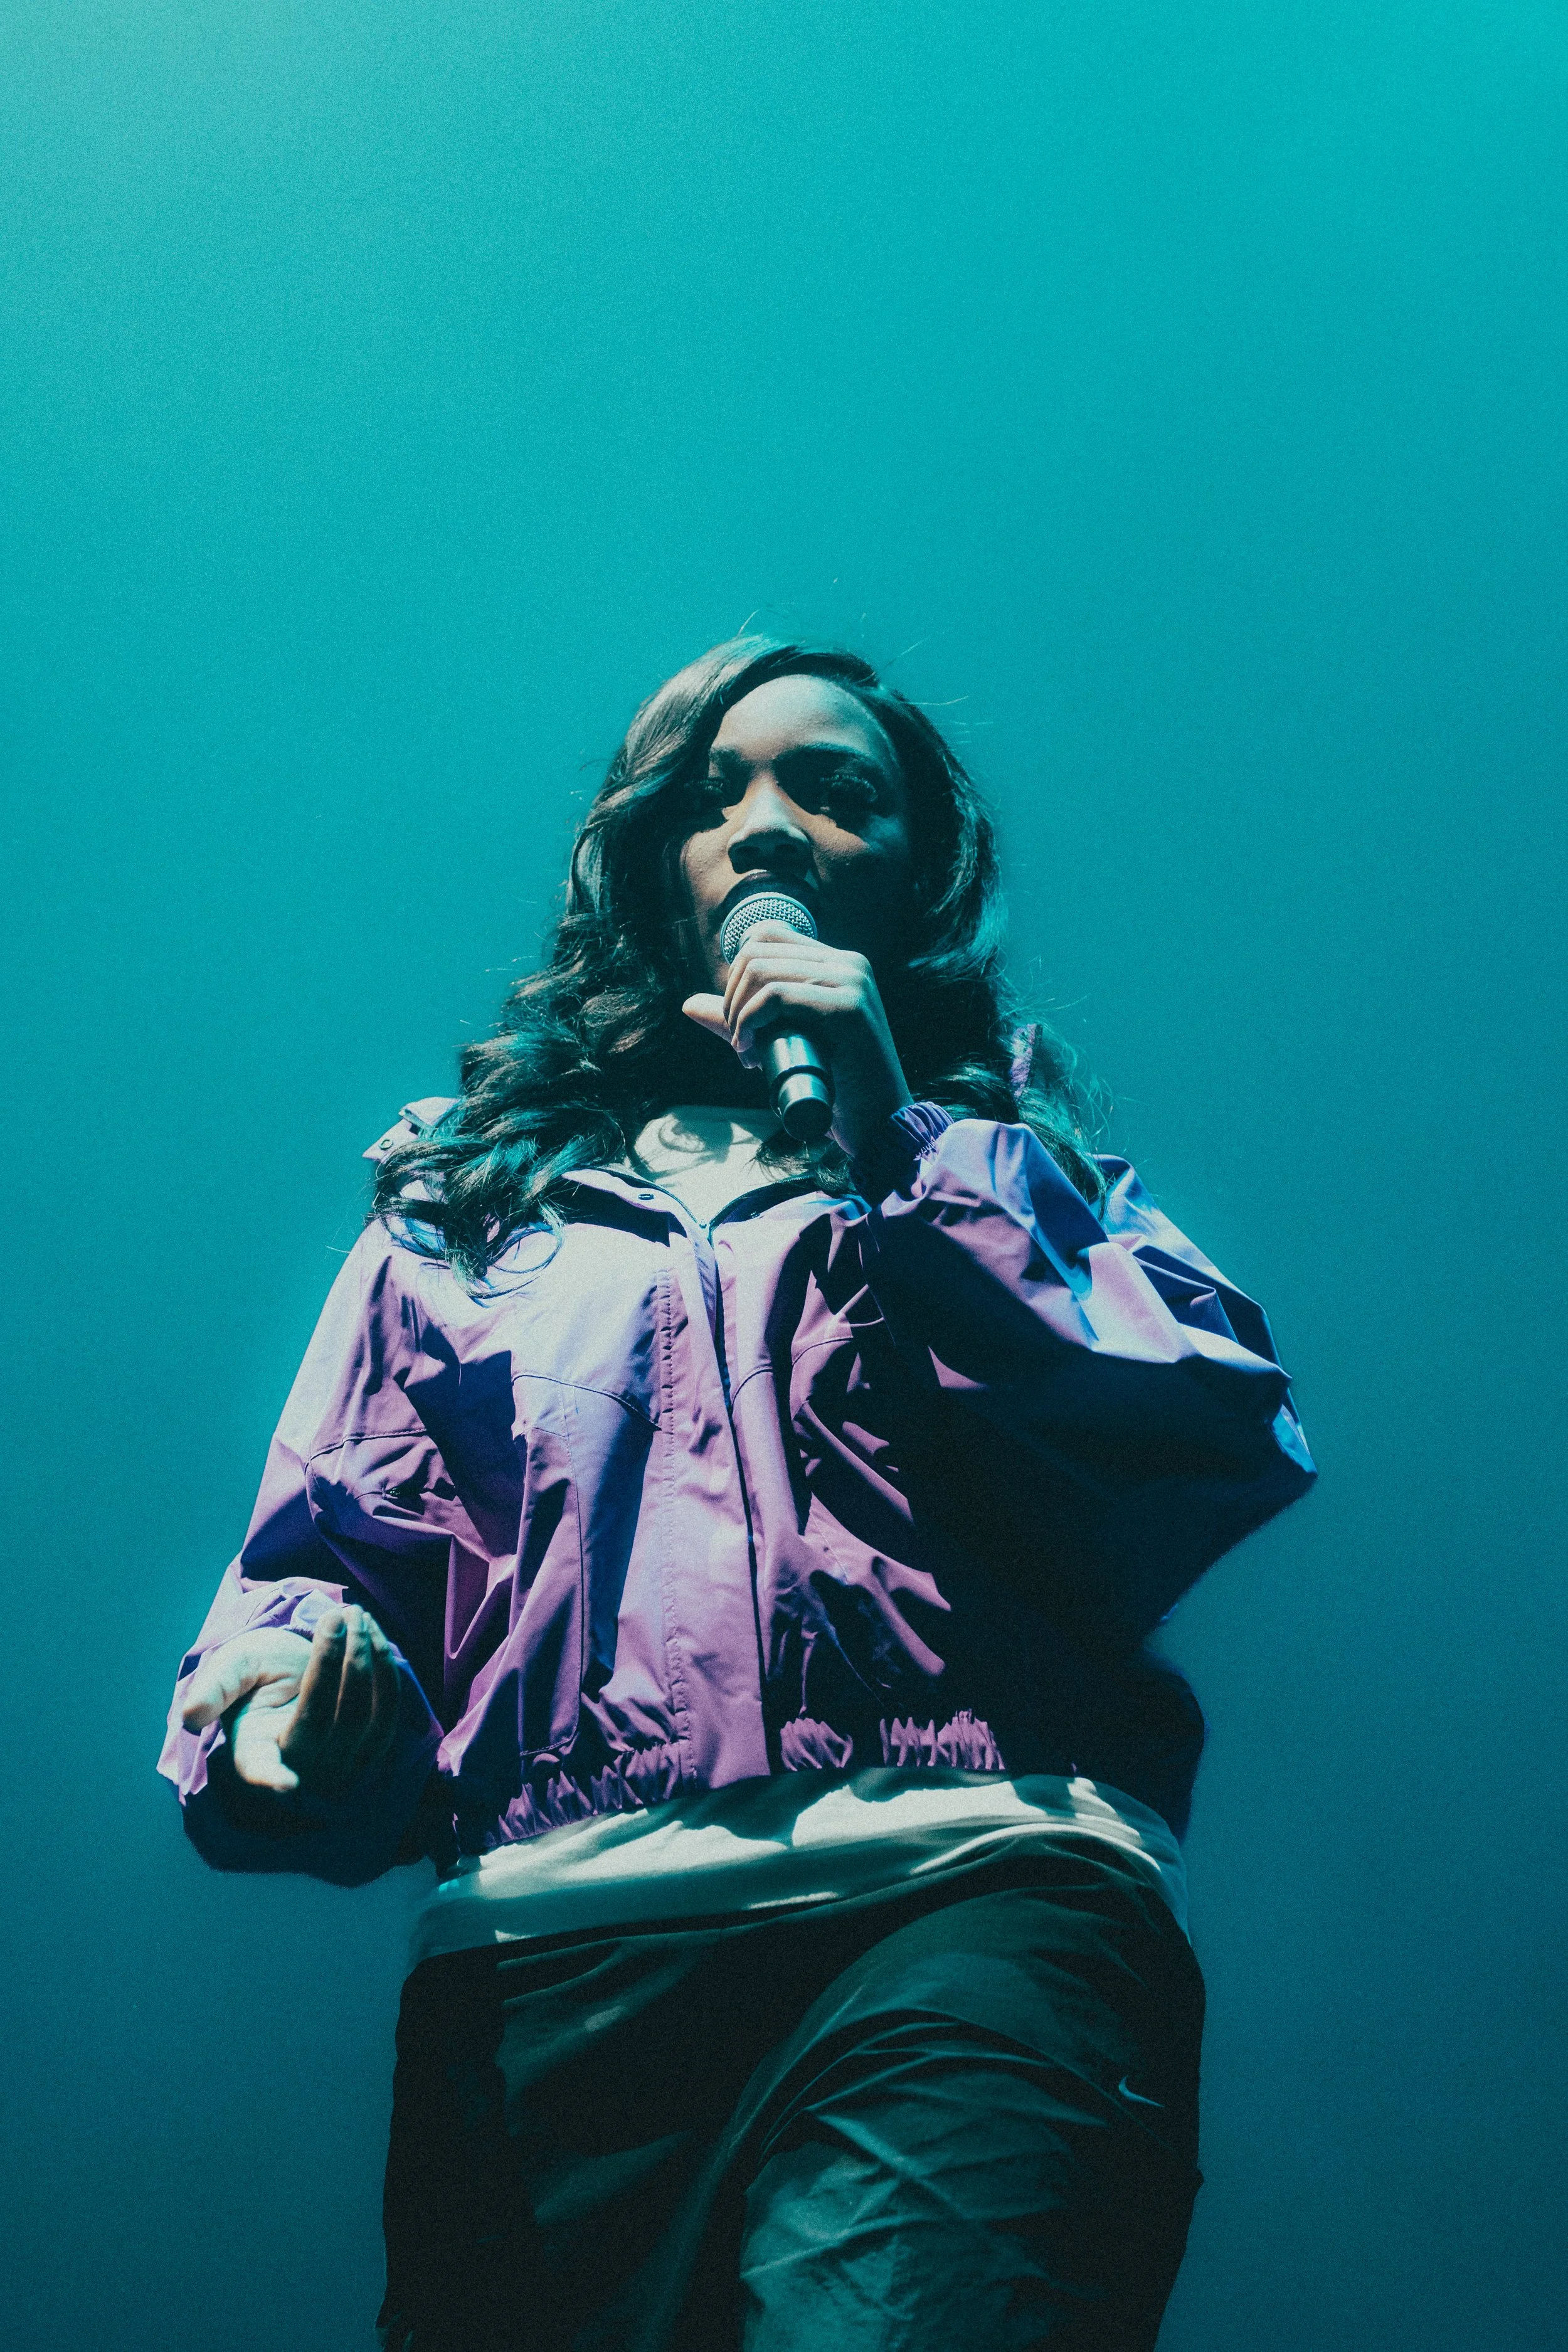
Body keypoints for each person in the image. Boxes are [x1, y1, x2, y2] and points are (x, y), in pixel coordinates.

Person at [160, 636, 1315, 2352]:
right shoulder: (465, 1219)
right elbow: (332, 1565)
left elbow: (1194, 1433)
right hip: (541, 1980)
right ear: (642, 868)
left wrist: (891, 1139)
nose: (765, 827)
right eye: (712, 796)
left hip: (961, 1907)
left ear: (912, 876)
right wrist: (289, 1712)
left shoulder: (1016, 1173)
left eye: (833, 791)